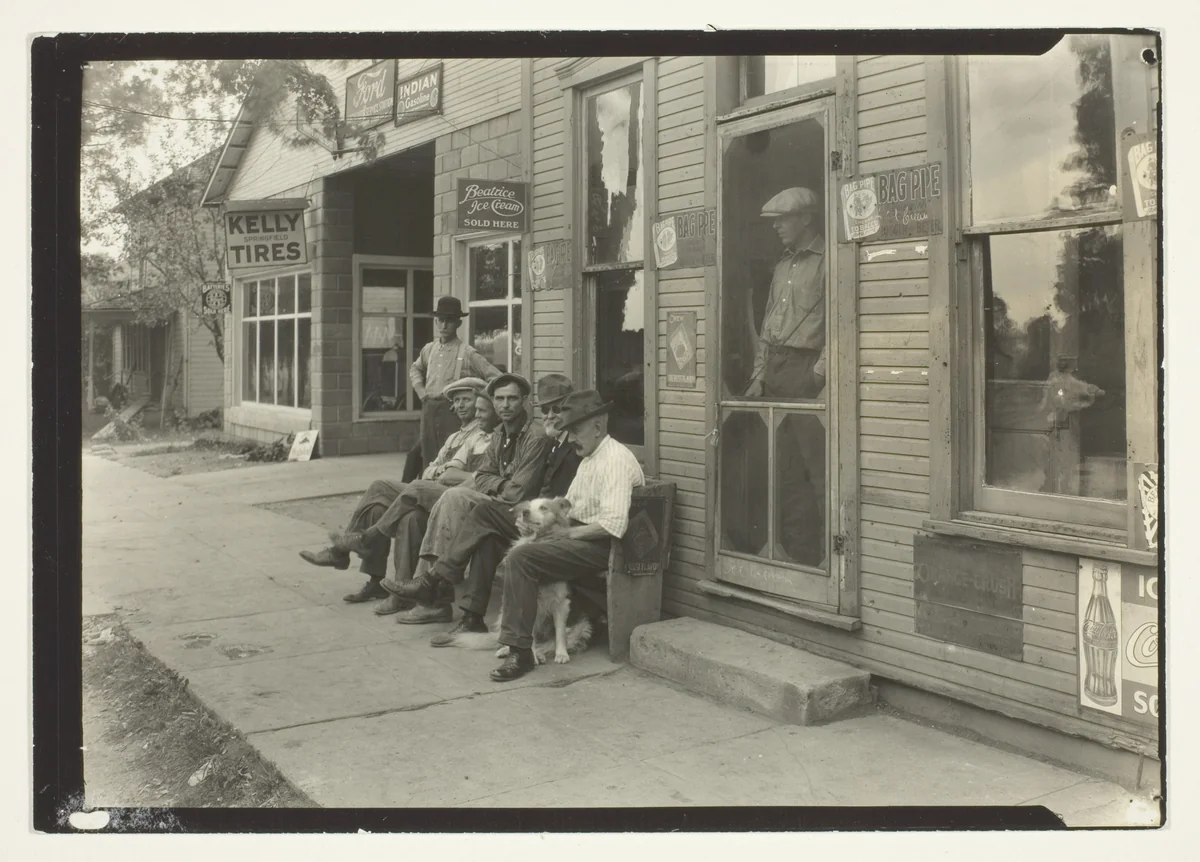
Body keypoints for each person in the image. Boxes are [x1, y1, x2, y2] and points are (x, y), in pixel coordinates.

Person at [386, 373, 582, 638]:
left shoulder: (550, 440)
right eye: (546, 409)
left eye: (557, 409)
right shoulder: (504, 434)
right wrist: (497, 482)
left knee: (469, 506)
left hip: (537, 520)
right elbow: (482, 476)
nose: (549, 415)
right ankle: (470, 616)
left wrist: (495, 484)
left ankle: (432, 582)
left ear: (524, 402)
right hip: (526, 515)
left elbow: (519, 491)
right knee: (445, 522)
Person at [485, 389, 645, 681]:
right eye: (568, 431)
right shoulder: (589, 460)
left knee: (522, 557)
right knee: (518, 546)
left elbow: (613, 525)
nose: (570, 438)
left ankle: (519, 651)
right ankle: (517, 639)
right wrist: (535, 526)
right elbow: (564, 508)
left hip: (603, 545)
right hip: (579, 536)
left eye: (576, 430)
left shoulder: (616, 461)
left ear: (597, 427)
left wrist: (565, 535)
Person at [297, 377, 496, 604]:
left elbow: (460, 476)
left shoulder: (484, 434)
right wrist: (440, 472)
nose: (461, 406)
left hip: (453, 496)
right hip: (436, 489)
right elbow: (432, 468)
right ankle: (375, 581)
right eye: (457, 401)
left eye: (468, 401)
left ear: (483, 404)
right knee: (380, 499)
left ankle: (352, 545)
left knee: (401, 497)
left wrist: (441, 473)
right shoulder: (455, 437)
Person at [743, 186, 827, 567]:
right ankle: (798, 556)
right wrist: (760, 374)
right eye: (774, 220)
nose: (777, 226)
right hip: (775, 372)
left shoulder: (829, 263)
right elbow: (767, 326)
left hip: (805, 372)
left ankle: (827, 561)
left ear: (807, 218)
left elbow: (842, 326)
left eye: (784, 218)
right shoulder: (782, 267)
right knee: (784, 471)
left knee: (818, 470)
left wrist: (817, 376)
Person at [402, 296, 502, 483]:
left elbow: (495, 377)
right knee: (425, 454)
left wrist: (479, 398)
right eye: (441, 320)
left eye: (449, 320)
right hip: (429, 409)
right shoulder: (429, 349)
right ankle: (422, 495)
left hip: (453, 413)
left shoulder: (467, 352)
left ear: (458, 322)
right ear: (436, 321)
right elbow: (415, 369)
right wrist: (420, 391)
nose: (444, 325)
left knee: (451, 456)